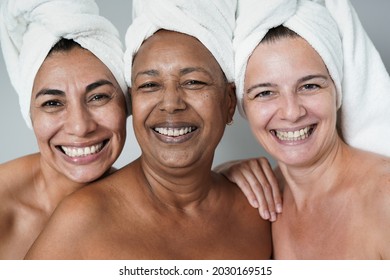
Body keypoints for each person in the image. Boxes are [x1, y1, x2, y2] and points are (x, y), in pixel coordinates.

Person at [25, 0, 272, 260]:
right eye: (150, 85)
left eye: (194, 82)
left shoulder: (259, 209)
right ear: (132, 101)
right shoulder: (82, 219)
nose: (171, 104)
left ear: (229, 102)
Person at [219, 0, 390, 259]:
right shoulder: (255, 203)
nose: (291, 112)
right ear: (243, 104)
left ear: (337, 91)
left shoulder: (384, 199)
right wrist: (217, 179)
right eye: (265, 92)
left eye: (309, 86)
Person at [0, 0, 130, 259]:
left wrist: (220, 178)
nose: (80, 127)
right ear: (30, 113)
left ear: (126, 102)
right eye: (52, 103)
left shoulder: (146, 206)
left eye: (98, 97)